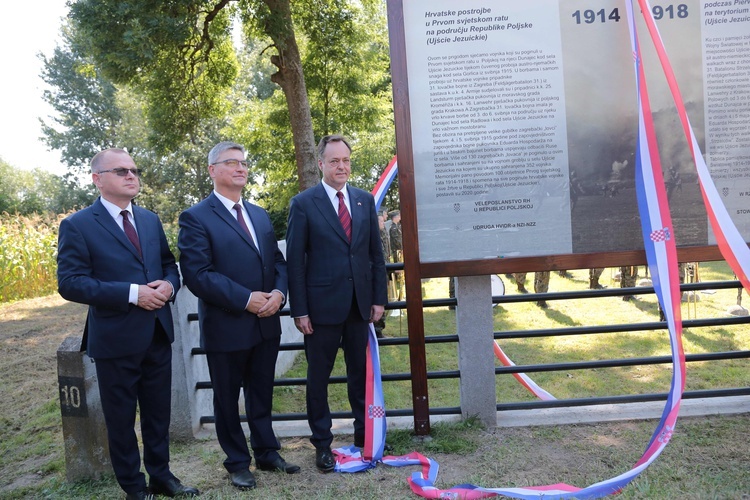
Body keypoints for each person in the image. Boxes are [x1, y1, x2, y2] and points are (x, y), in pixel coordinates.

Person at [57, 148, 198, 499]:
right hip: (115, 339)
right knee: (121, 420)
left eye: (134, 170)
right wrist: (132, 293)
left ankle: (161, 476)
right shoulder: (77, 225)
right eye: (121, 171)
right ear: (97, 179)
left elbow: (168, 264)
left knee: (157, 414)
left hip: (157, 333)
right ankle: (134, 488)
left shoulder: (149, 219)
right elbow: (70, 282)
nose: (131, 175)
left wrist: (169, 284)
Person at [178, 141, 299, 491]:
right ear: (212, 170)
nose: (241, 168)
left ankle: (266, 452)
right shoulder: (196, 217)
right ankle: (236, 462)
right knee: (227, 398)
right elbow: (198, 274)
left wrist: (278, 293)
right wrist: (246, 299)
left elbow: (278, 262)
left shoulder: (259, 214)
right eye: (231, 162)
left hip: (266, 322)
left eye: (244, 163)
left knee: (261, 391)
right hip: (227, 325)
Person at [286, 134, 388, 473]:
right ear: (321, 164)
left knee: (360, 375)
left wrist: (378, 299)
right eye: (334, 161)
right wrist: (299, 309)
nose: (341, 166)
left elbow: (375, 255)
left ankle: (364, 439)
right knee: (318, 379)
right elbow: (295, 262)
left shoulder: (363, 201)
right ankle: (322, 445)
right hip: (320, 311)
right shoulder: (303, 203)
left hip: (360, 308)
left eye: (345, 160)